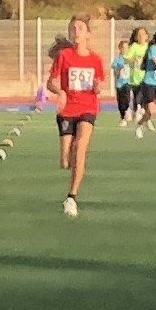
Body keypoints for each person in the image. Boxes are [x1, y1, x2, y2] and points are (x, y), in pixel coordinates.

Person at [46, 14, 104, 217]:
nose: (76, 31)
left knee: (80, 146)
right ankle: (71, 165)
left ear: (88, 34)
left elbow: (98, 85)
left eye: (80, 28)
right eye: (73, 28)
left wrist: (96, 87)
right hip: (67, 110)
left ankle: (71, 197)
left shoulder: (96, 59)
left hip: (88, 108)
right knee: (65, 162)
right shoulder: (64, 56)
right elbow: (50, 83)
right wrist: (59, 92)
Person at [125, 27, 149, 134]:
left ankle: (143, 117)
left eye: (143, 34)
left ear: (147, 36)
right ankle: (139, 121)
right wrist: (133, 59)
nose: (141, 37)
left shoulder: (149, 47)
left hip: (147, 77)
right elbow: (127, 58)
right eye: (139, 35)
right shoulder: (134, 47)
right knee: (137, 99)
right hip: (135, 77)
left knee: (145, 100)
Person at [111, 38, 132, 126]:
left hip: (127, 82)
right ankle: (123, 117)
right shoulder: (117, 60)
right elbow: (115, 71)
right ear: (120, 48)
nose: (125, 50)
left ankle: (127, 110)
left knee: (126, 98)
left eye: (126, 48)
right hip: (119, 83)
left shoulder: (130, 59)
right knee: (120, 101)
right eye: (123, 48)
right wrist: (119, 68)